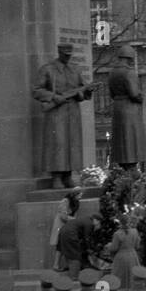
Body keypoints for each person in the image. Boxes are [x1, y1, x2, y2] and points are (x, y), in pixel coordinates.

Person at [32, 43, 93, 190]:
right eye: (65, 54)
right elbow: (36, 90)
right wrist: (53, 96)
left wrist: (86, 92)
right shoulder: (48, 69)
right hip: (56, 112)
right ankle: (57, 177)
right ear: (59, 52)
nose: (68, 57)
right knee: (58, 144)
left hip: (72, 113)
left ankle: (68, 176)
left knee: (72, 144)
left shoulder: (75, 70)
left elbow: (82, 92)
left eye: (69, 54)